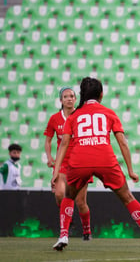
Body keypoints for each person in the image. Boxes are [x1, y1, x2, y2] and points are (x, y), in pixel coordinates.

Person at [51, 77, 140, 253]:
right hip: (105, 160)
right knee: (128, 198)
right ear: (101, 95)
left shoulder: (74, 116)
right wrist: (131, 170)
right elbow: (123, 142)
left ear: (81, 96)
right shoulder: (109, 113)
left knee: (69, 197)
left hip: (80, 161)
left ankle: (63, 235)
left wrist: (56, 172)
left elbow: (64, 144)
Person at [44, 86, 92, 240]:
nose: (69, 98)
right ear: (61, 100)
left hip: (80, 163)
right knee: (59, 194)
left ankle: (86, 231)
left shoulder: (81, 117)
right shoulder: (54, 119)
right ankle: (68, 222)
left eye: (72, 96)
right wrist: (50, 157)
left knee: (80, 202)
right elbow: (48, 139)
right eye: (66, 96)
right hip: (62, 163)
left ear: (76, 99)